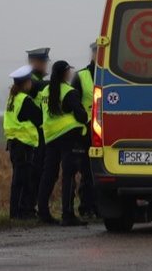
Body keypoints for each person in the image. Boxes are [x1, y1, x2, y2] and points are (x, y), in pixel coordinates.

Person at [37, 60, 90, 226]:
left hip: (51, 136)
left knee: (48, 174)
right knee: (68, 175)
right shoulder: (69, 92)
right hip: (69, 137)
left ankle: (43, 212)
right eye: (69, 71)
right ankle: (67, 214)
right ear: (65, 73)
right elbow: (82, 116)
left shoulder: (46, 91)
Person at [3, 65, 42, 220]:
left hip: (14, 143)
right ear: (26, 83)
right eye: (30, 81)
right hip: (23, 144)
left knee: (17, 180)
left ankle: (15, 212)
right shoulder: (25, 100)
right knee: (24, 180)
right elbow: (39, 117)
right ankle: (22, 212)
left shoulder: (12, 98)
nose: (32, 84)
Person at [71, 43, 98, 219]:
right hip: (86, 131)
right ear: (93, 53)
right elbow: (74, 104)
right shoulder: (81, 76)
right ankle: (86, 207)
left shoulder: (112, 74)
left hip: (107, 130)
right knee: (87, 172)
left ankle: (100, 207)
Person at [25, 47, 50, 206]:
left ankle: (33, 206)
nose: (46, 65)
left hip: (39, 133)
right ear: (34, 62)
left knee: (39, 172)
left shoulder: (37, 80)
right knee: (33, 173)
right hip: (32, 135)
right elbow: (37, 86)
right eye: (43, 62)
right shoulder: (30, 81)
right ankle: (29, 206)